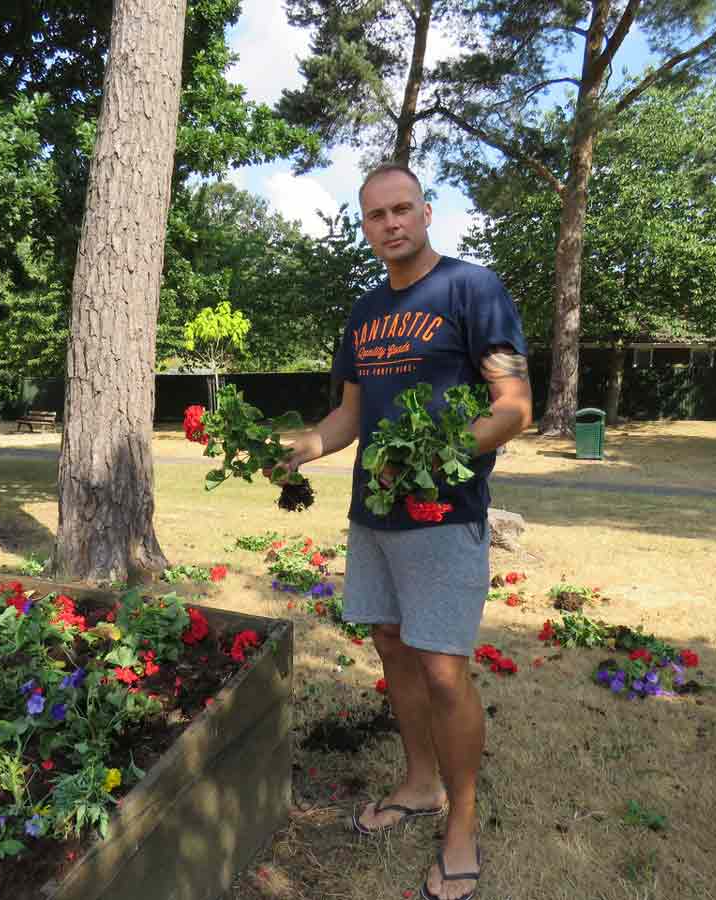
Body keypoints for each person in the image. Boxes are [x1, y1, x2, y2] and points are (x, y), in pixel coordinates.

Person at [276, 163, 532, 900]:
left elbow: (513, 403)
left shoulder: (472, 289)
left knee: (444, 669)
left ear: (425, 212)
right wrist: (301, 447)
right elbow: (351, 416)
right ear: (366, 227)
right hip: (373, 513)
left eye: (401, 210)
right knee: (390, 643)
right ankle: (420, 783)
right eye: (375, 216)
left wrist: (439, 454)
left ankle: (462, 821)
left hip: (443, 512)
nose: (390, 224)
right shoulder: (362, 315)